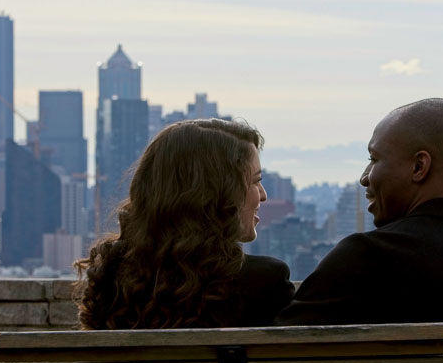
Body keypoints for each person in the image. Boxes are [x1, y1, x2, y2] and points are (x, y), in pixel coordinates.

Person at [274, 98, 443, 325]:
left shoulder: (365, 260)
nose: (364, 177)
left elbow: (273, 360)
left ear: (419, 167)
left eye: (374, 159)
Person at [75, 119, 293, 329]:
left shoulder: (112, 279)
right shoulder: (263, 283)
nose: (263, 196)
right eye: (255, 182)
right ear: (216, 194)